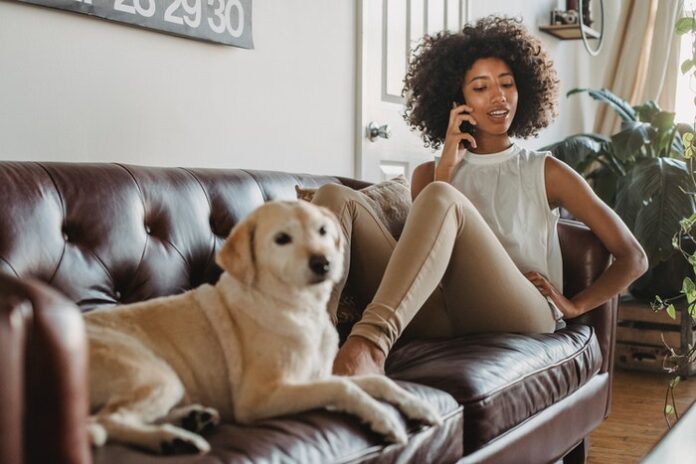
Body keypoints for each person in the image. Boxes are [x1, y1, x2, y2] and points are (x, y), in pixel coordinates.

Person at [312, 16, 648, 376]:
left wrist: (575, 306)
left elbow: (633, 257)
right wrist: (445, 171)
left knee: (442, 198)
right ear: (457, 100)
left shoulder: (546, 171)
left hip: (520, 312)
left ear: (525, 91)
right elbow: (420, 263)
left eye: (507, 83)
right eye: (481, 87)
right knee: (334, 198)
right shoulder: (431, 174)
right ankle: (314, 340)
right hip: (441, 312)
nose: (499, 96)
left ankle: (368, 346)